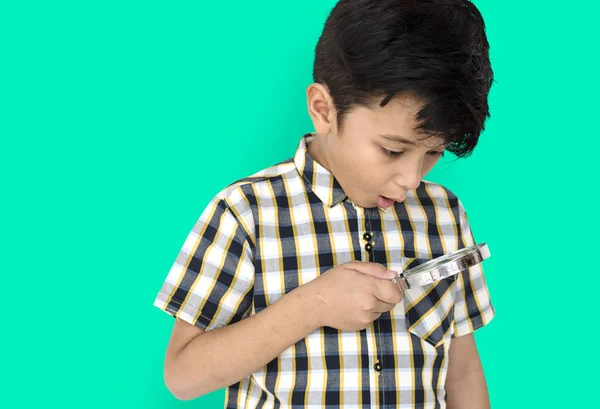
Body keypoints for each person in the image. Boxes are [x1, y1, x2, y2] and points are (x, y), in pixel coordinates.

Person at [153, 0, 496, 408]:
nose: (411, 179)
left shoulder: (444, 214)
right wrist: (313, 305)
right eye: (391, 151)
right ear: (324, 109)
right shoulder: (246, 212)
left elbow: (463, 372)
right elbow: (182, 376)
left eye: (433, 153)